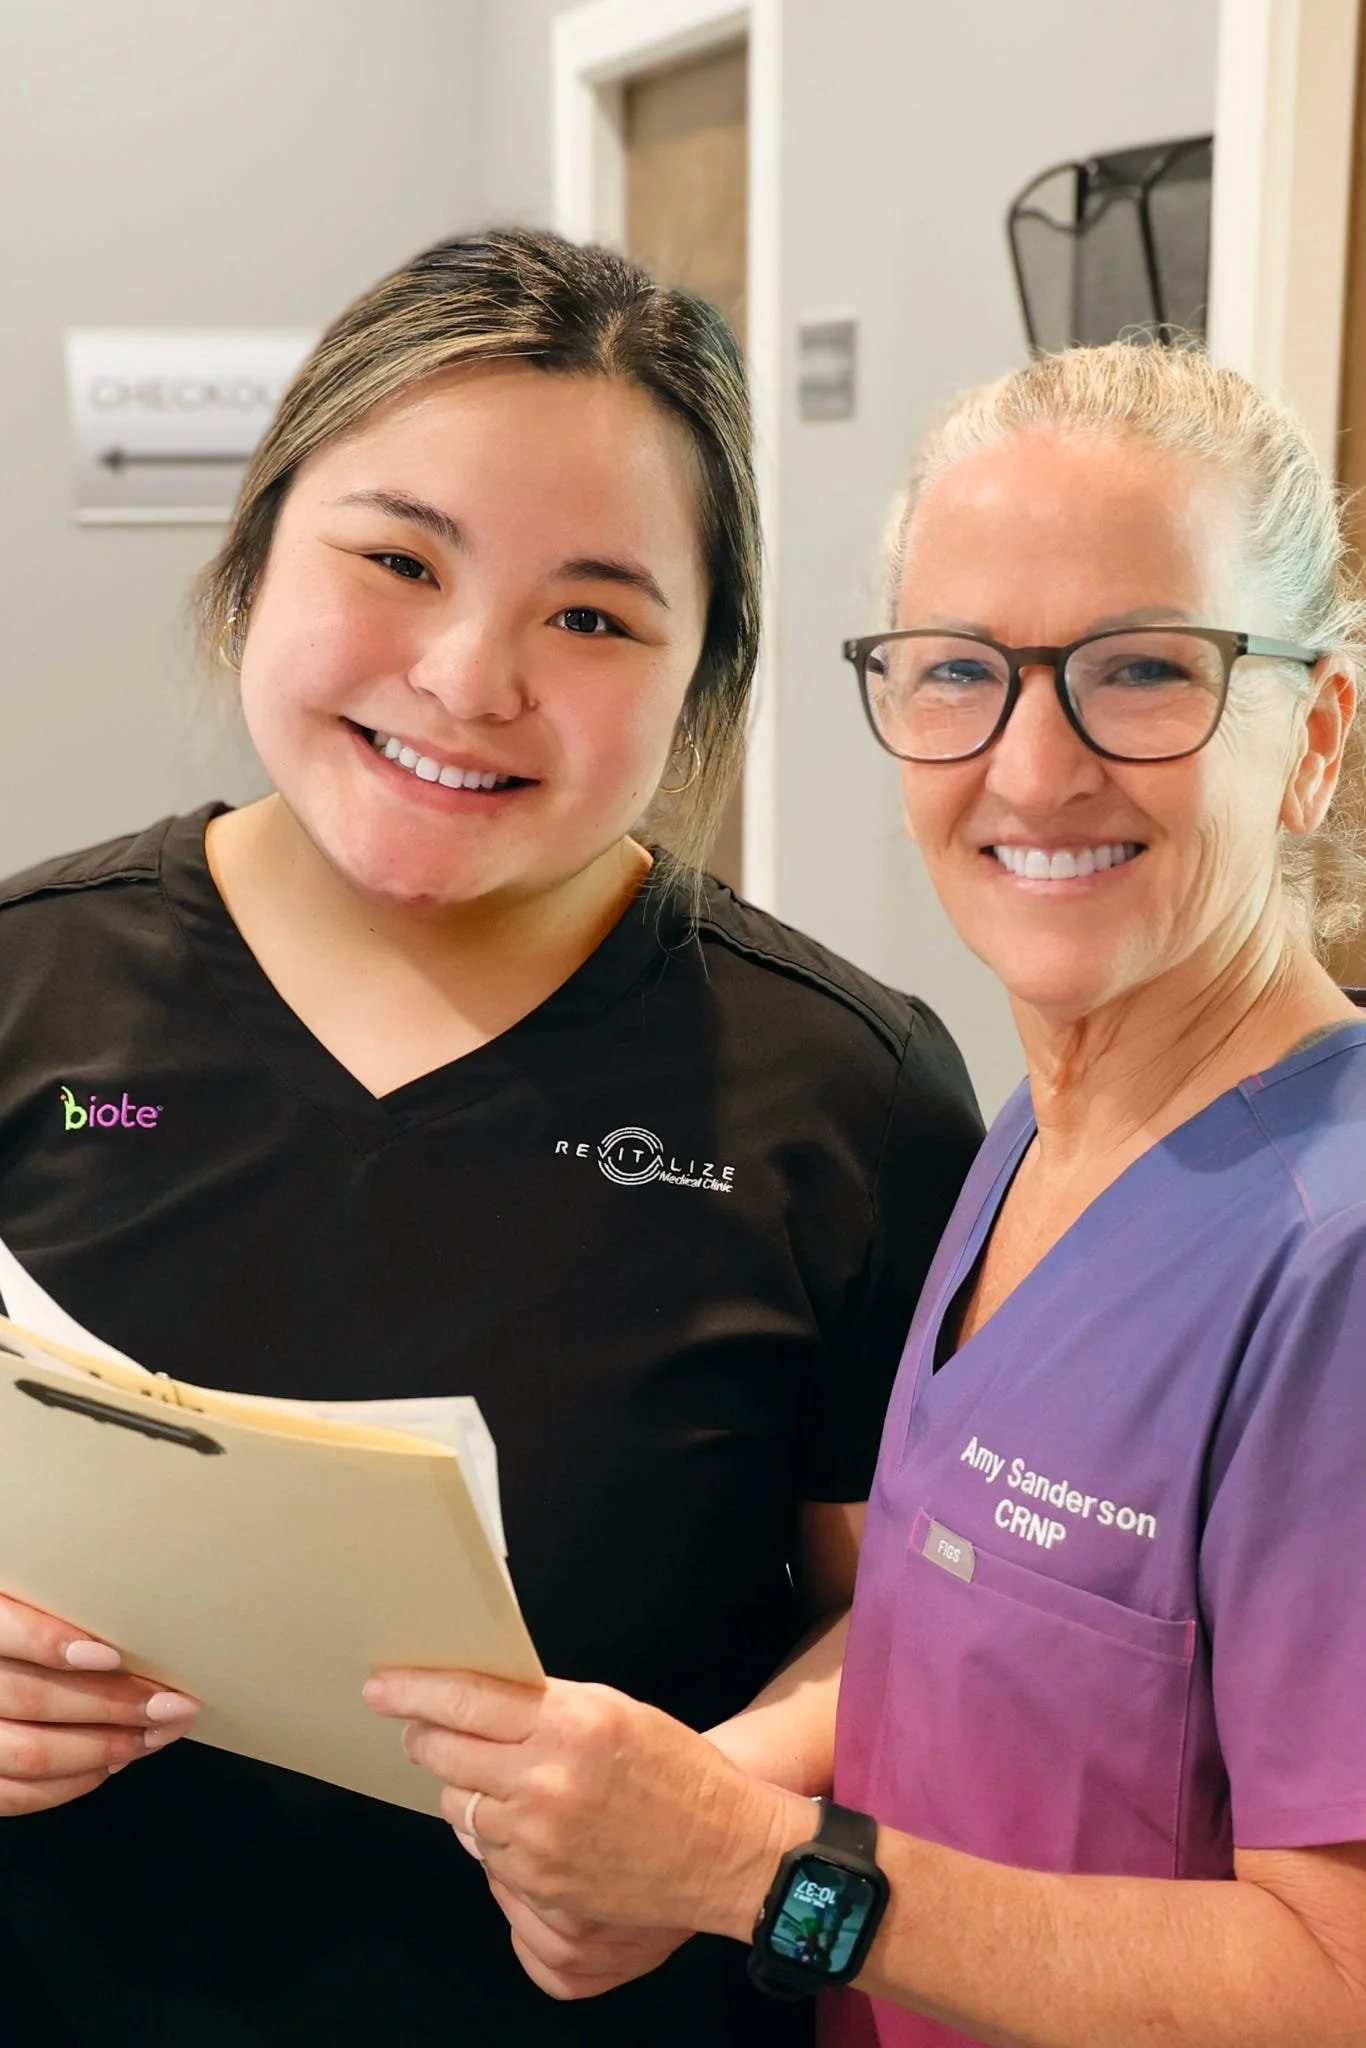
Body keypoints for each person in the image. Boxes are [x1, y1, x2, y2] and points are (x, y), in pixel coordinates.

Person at [0, 228, 982, 2046]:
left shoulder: (846, 1088)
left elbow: (913, 1619)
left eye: (593, 614)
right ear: (256, 550)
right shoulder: (28, 991)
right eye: (396, 557)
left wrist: (710, 1827)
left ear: (702, 678)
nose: (466, 676)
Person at [367, 341, 1366, 2047]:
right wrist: (656, 1818)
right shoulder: (1032, 1141)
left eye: (1140, 672)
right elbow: (945, 1635)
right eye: (957, 671)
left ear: (1313, 733)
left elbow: (1333, 1977)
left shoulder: (1326, 1262)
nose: (1032, 769)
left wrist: (755, 1869)